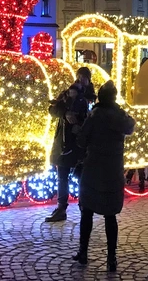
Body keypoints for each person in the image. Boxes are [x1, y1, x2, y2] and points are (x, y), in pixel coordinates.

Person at [73, 81, 136, 272]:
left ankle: (83, 252)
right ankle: (111, 258)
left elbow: (81, 140)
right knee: (110, 216)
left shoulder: (95, 115)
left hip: (93, 169)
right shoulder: (119, 116)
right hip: (113, 171)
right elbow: (130, 126)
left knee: (87, 212)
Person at [46, 66, 95, 222]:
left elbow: (93, 118)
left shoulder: (91, 97)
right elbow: (52, 110)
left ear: (89, 80)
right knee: (62, 176)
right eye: (79, 76)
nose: (81, 80)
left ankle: (84, 206)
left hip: (81, 144)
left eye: (84, 77)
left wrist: (80, 125)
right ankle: (61, 208)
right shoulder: (68, 93)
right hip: (64, 142)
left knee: (82, 177)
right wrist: (65, 113)